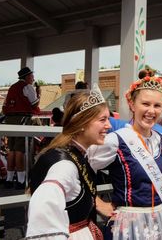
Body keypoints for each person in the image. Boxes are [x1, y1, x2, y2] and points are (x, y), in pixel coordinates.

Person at [88, 69, 162, 239]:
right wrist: (98, 203)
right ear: (132, 105)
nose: (151, 111)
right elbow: (80, 169)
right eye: (145, 104)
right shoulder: (116, 140)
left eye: (157, 105)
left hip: (159, 222)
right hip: (129, 224)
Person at [26, 84, 111, 240]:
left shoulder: (73, 153)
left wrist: (96, 203)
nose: (109, 125)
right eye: (102, 119)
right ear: (83, 123)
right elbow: (44, 205)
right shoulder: (64, 165)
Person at [2, 67, 40, 189]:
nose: (33, 78)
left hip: (9, 120)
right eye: (32, 76)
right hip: (22, 119)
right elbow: (34, 104)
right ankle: (20, 181)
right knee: (20, 150)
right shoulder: (28, 87)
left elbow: (5, 105)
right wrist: (39, 93)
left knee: (11, 149)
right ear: (27, 77)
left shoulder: (12, 87)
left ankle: (8, 179)